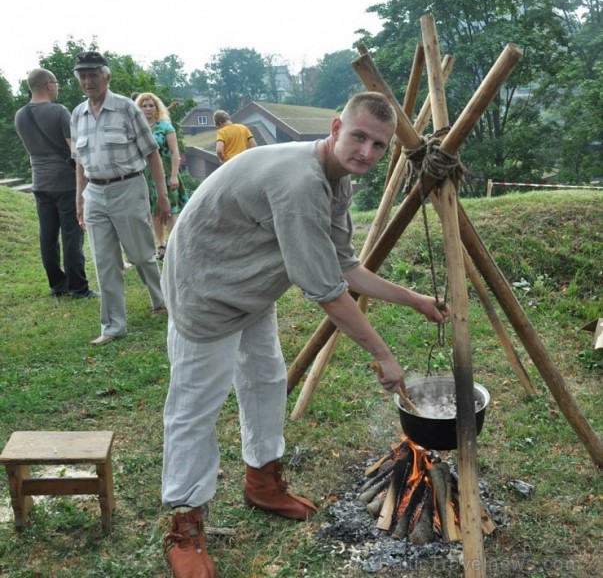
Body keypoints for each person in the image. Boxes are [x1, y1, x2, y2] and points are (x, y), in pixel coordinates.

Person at [160, 92, 449, 577]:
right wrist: (384, 355)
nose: (366, 152)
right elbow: (329, 294)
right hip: (206, 285)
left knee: (266, 377)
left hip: (249, 281)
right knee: (195, 405)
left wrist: (415, 300)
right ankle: (185, 523)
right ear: (336, 128)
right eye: (359, 137)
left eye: (379, 145)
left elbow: (345, 265)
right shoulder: (299, 183)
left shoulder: (335, 182)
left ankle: (262, 480)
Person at [70, 51, 171, 346]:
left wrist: (162, 195)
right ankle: (113, 325)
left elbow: (151, 152)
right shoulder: (78, 114)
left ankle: (161, 299)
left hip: (128, 188)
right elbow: (79, 161)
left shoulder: (127, 108)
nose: (88, 81)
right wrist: (80, 198)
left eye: (93, 75)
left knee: (141, 255)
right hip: (95, 193)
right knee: (104, 261)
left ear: (106, 77)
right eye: (83, 76)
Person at [14, 68, 97, 299]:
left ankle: (58, 286)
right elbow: (75, 150)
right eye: (57, 83)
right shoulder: (59, 112)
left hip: (39, 183)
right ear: (50, 84)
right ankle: (78, 288)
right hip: (66, 184)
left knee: (48, 237)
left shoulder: (20, 115)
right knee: (71, 235)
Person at [135, 92, 188, 260]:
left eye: (151, 105)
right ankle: (161, 244)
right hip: (146, 176)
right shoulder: (136, 128)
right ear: (139, 108)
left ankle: (173, 244)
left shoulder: (165, 127)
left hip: (167, 173)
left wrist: (174, 175)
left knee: (172, 210)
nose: (148, 109)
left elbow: (175, 153)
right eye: (145, 106)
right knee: (155, 212)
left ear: (156, 108)